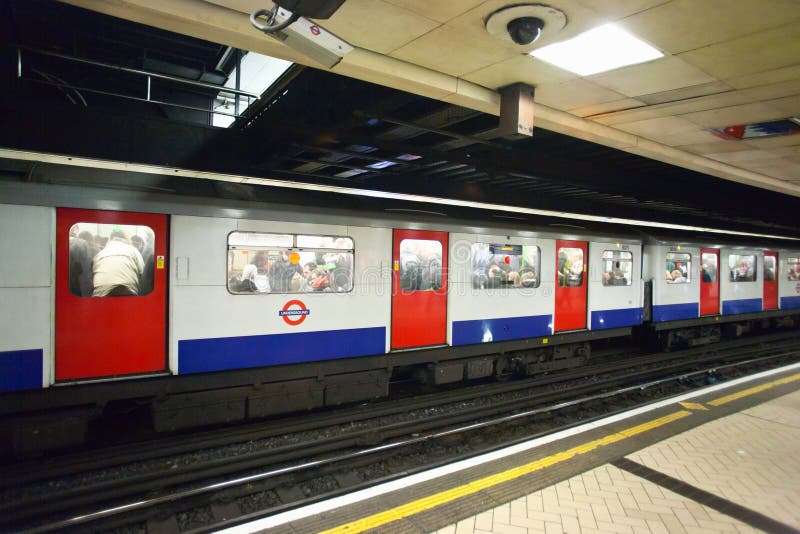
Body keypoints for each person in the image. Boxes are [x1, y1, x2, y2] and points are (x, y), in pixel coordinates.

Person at [92, 230, 145, 296]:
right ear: (126, 239)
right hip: (127, 292)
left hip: (101, 294)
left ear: (110, 239)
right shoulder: (133, 250)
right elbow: (143, 272)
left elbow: (92, 275)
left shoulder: (100, 254)